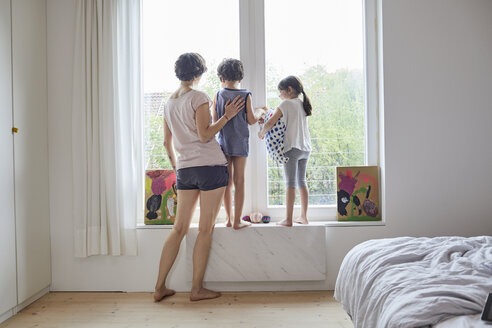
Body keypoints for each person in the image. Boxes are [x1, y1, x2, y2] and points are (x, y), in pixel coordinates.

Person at [154, 53, 245, 302]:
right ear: (198, 73)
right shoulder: (199, 97)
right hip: (210, 167)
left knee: (178, 229)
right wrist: (227, 116)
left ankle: (159, 287)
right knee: (205, 229)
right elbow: (205, 135)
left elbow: (166, 142)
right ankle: (196, 289)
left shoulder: (169, 103)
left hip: (185, 170)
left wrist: (178, 167)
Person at [212, 58, 266, 229]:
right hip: (241, 144)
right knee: (239, 180)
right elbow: (251, 120)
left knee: (227, 183)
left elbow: (215, 121)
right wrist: (259, 111)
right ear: (240, 78)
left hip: (224, 143)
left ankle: (229, 219)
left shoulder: (218, 95)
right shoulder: (245, 95)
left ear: (221, 78)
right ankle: (237, 221)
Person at [258, 76, 312, 226]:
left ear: (289, 90)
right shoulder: (302, 104)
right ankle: (303, 217)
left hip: (292, 148)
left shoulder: (286, 103)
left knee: (290, 184)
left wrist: (261, 132)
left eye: (280, 91)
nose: (279, 95)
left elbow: (271, 122)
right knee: (302, 181)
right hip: (305, 148)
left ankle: (288, 219)